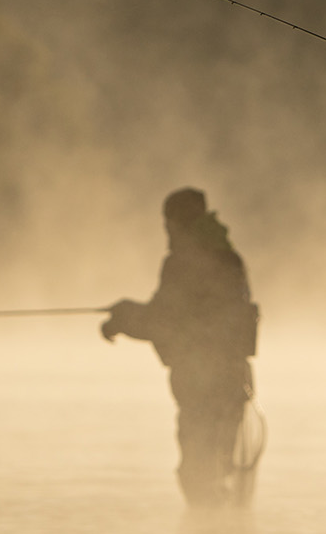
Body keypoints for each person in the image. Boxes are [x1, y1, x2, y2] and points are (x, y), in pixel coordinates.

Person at [101, 188, 263, 511]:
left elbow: (161, 319)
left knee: (197, 474)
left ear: (177, 222)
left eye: (168, 222)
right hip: (234, 380)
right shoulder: (229, 258)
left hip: (201, 382)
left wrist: (120, 318)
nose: (167, 230)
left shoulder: (182, 262)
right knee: (221, 467)